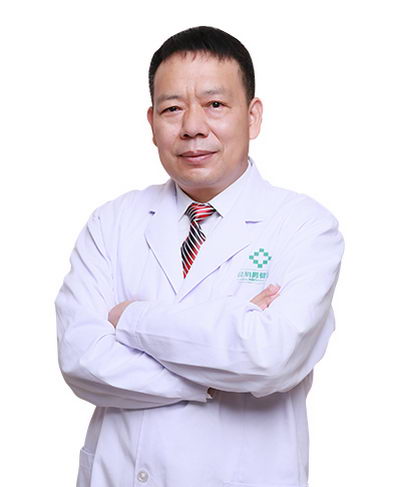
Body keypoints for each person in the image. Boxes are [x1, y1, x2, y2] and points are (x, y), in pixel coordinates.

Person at [55, 26, 345, 487]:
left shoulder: (305, 227)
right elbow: (81, 359)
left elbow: (269, 357)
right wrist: (216, 369)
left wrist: (130, 318)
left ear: (252, 117)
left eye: (214, 104)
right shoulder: (112, 222)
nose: (192, 126)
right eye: (172, 108)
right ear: (152, 122)